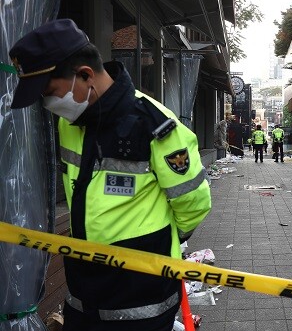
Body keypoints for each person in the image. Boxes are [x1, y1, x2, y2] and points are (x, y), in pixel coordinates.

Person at [8, 19, 211, 331]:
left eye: (50, 92)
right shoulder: (71, 123)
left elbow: (193, 203)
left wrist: (157, 243)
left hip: (142, 296)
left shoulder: (155, 126)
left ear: (85, 76)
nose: (48, 104)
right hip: (82, 292)